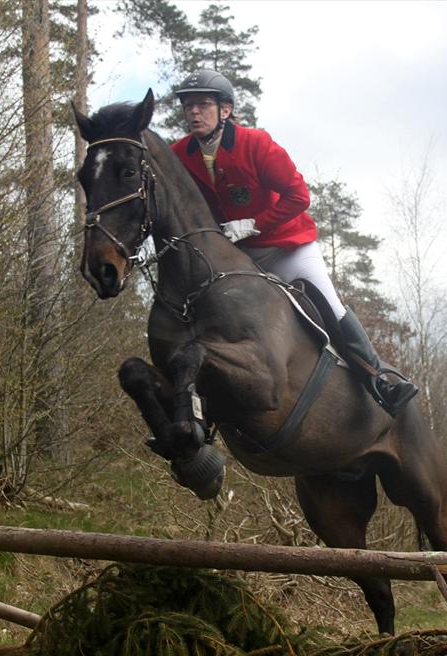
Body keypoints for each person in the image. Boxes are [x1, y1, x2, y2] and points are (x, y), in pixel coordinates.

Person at [169, 69, 417, 416]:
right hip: (239, 259)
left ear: (225, 110)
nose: (194, 112)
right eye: (188, 105)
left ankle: (380, 379)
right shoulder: (180, 153)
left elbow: (298, 196)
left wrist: (254, 224)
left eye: (203, 104)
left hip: (286, 247)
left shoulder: (256, 143)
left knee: (330, 305)